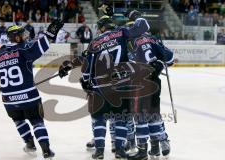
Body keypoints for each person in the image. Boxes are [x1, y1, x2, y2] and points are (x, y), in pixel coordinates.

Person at [59, 11, 150, 159]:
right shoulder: (121, 33)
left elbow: (85, 61)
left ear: (101, 28)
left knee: (99, 117)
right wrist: (136, 16)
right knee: (121, 117)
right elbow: (144, 26)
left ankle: (99, 150)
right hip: (122, 83)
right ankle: (120, 150)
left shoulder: (95, 42)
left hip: (101, 85)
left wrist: (72, 69)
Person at [0, 19, 64, 159]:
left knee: (18, 121)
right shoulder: (23, 49)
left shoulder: (0, 54)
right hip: (28, 96)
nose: (26, 36)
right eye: (22, 34)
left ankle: (30, 144)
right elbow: (42, 46)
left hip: (8, 99)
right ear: (17, 37)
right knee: (37, 121)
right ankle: (46, 150)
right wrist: (50, 34)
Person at [127, 22, 174, 160]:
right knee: (153, 113)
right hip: (155, 82)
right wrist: (159, 63)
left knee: (140, 116)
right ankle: (157, 145)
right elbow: (170, 59)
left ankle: (142, 150)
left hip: (140, 82)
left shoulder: (132, 41)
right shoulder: (155, 39)